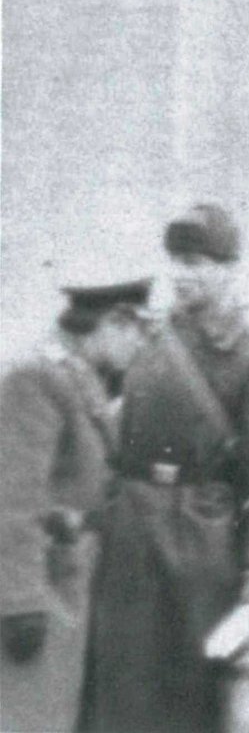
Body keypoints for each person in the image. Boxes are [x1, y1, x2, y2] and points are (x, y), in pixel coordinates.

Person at [84, 203, 249, 733]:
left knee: (192, 696)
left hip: (202, 544)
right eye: (175, 260)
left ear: (228, 268)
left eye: (196, 261)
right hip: (129, 535)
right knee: (121, 688)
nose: (181, 273)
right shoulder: (142, 340)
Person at [1, 273, 153, 733]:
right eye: (137, 330)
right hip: (41, 596)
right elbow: (11, 500)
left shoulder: (77, 374)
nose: (141, 343)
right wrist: (20, 602)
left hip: (69, 586)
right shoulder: (36, 378)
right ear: (111, 321)